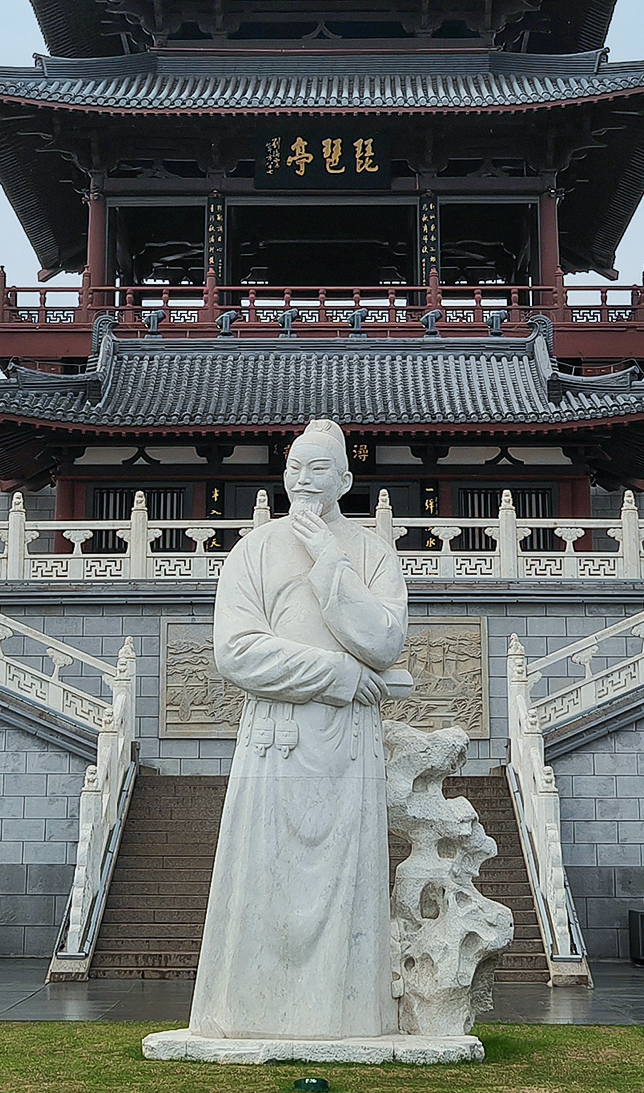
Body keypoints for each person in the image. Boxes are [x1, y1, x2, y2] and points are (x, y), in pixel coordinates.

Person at [188, 418, 410, 1041]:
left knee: (348, 887)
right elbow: (237, 652)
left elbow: (385, 643)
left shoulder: (372, 553)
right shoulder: (253, 551)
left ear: (345, 479)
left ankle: (348, 1018)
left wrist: (330, 562)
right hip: (275, 742)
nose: (304, 480)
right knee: (265, 885)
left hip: (350, 747)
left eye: (319, 468)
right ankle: (252, 1015)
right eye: (294, 467)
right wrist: (337, 673)